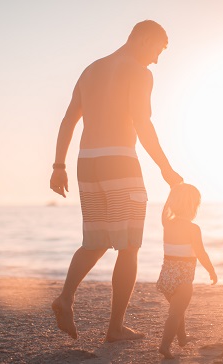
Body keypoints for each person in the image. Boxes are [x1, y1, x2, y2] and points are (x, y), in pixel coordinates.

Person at [49, 20, 183, 342]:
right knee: (129, 246)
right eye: (157, 50)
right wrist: (166, 168)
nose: (155, 60)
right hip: (120, 162)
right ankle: (115, 328)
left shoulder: (91, 70)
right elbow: (142, 123)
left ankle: (65, 297)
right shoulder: (139, 72)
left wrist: (58, 165)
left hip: (87, 163)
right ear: (144, 39)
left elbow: (69, 118)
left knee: (95, 242)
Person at [156, 183, 217, 359]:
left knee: (177, 309)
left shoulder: (167, 223)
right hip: (183, 279)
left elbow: (164, 209)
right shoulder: (193, 228)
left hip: (166, 277)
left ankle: (182, 338)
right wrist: (211, 271)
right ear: (194, 207)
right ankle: (165, 346)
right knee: (175, 313)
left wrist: (172, 192)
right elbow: (201, 253)